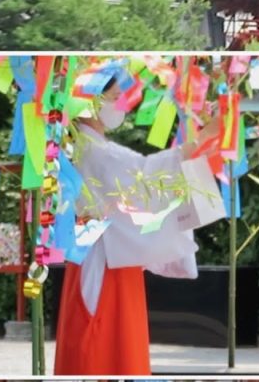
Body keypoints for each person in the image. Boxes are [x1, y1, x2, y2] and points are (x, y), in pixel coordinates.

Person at [54, 77, 221, 375]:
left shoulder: (87, 147)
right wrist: (200, 142)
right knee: (103, 350)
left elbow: (142, 176)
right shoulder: (91, 150)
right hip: (103, 261)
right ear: (90, 103)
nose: (121, 105)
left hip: (110, 258)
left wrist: (199, 144)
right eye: (115, 97)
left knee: (112, 348)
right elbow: (144, 174)